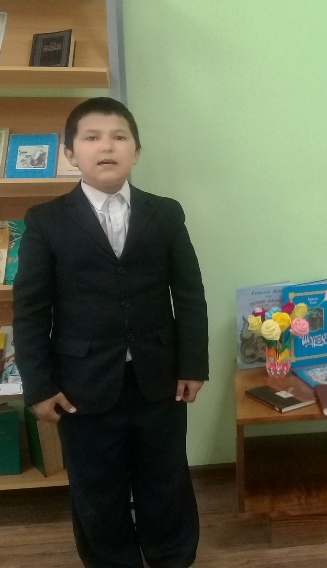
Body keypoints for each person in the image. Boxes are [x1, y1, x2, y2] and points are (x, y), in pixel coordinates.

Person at [13, 97, 208, 568]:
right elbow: (31, 311)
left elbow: (189, 294)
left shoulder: (165, 213)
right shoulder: (45, 221)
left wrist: (193, 365)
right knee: (97, 487)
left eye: (119, 137)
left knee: (165, 478)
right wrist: (39, 386)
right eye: (92, 137)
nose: (107, 146)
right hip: (81, 384)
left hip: (158, 377)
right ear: (70, 153)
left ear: (136, 151)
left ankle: (172, 556)